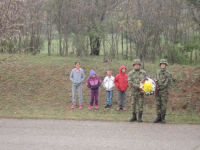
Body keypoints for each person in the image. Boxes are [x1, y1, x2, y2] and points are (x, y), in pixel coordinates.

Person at [153, 59, 171, 123]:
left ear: (166, 65)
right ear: (160, 65)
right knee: (158, 104)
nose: (162, 65)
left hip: (164, 92)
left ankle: (163, 118)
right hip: (157, 92)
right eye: (161, 64)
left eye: (164, 64)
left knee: (163, 105)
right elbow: (155, 79)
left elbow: (166, 83)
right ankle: (158, 117)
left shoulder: (168, 73)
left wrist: (159, 87)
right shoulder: (157, 72)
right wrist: (154, 82)